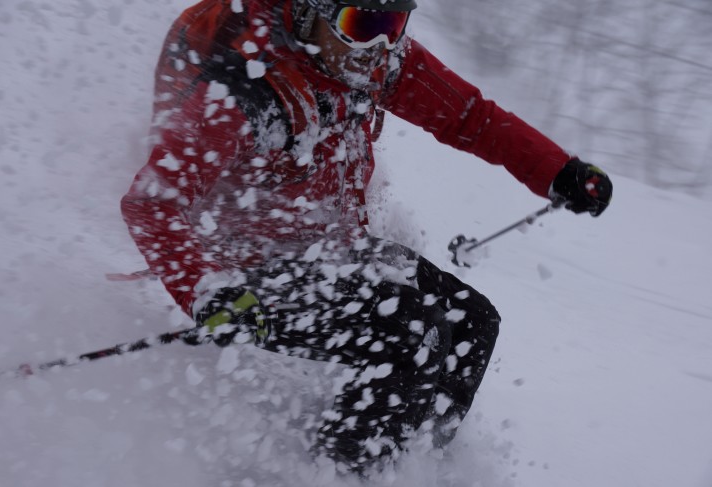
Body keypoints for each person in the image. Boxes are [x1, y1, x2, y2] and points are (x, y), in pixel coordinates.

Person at [121, 0, 613, 474]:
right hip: (242, 268)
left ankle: (422, 466)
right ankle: (343, 474)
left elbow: (470, 117)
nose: (378, 42)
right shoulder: (244, 89)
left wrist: (557, 171)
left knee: (473, 322)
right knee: (412, 332)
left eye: (395, 23)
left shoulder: (375, 63)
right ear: (312, 13)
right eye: (363, 22)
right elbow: (153, 202)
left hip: (328, 248)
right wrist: (207, 290)